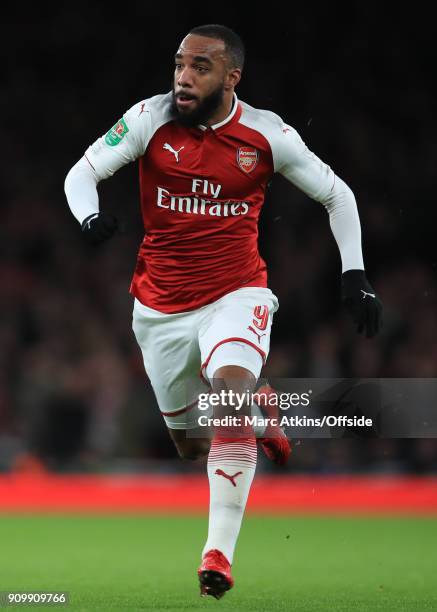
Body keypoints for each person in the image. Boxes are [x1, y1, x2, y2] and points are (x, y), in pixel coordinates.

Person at [64, 24, 383, 599]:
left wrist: (354, 273)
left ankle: (218, 554)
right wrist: (88, 216)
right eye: (180, 65)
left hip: (236, 294)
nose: (183, 78)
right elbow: (82, 172)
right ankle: (261, 415)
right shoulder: (148, 119)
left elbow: (338, 194)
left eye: (200, 68)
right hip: (158, 308)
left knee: (229, 392)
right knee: (190, 444)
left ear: (231, 77)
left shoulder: (265, 135)